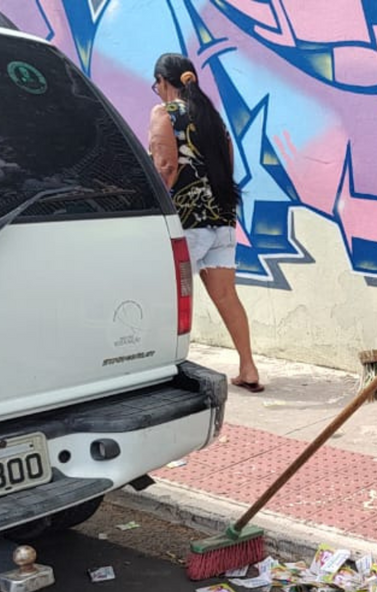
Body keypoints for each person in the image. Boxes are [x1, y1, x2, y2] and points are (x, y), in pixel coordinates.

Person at [148, 53, 263, 393]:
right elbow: (226, 166)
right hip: (222, 218)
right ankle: (249, 367)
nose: (156, 91)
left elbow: (166, 167)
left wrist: (155, 206)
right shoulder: (214, 118)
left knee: (166, 297)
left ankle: (165, 370)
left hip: (185, 221)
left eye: (157, 85)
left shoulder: (164, 114)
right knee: (227, 295)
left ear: (164, 82)